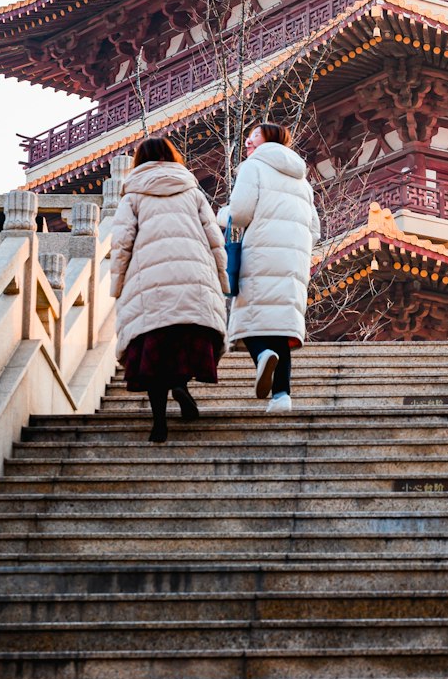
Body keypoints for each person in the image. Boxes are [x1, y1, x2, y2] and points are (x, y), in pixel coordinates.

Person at [110, 138, 228, 444]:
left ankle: (159, 423)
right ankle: (181, 385)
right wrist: (221, 277)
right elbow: (215, 237)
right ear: (172, 156)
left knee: (154, 353)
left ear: (139, 162)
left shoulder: (132, 196)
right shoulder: (192, 191)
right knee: (184, 343)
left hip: (150, 281)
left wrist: (117, 283)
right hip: (193, 275)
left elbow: (121, 244)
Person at [222, 122, 320, 412]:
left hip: (261, 251)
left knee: (250, 317)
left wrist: (221, 215)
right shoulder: (303, 180)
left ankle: (262, 354)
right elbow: (314, 228)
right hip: (294, 260)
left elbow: (239, 213)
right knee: (281, 325)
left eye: (253, 136)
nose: (248, 142)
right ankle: (281, 397)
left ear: (267, 140)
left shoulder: (253, 167)